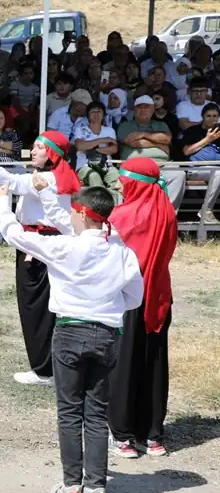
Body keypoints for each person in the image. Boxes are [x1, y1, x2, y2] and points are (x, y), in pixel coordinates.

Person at [0, 182, 143, 493]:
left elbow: (18, 236)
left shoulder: (65, 247)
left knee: (70, 412)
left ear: (83, 215)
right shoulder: (121, 250)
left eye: (73, 212)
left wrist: (1, 204)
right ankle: (98, 490)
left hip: (70, 332)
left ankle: (73, 486)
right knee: (96, 413)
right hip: (106, 333)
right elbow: (135, 297)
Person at [0, 130, 80, 387]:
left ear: (51, 153)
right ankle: (48, 366)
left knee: (35, 308)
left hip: (36, 249)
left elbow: (7, 181)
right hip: (41, 246)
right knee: (44, 308)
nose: (33, 151)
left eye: (39, 147)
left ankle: (43, 369)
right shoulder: (55, 176)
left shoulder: (45, 178)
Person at [107, 158, 178, 458]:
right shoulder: (168, 213)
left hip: (128, 297)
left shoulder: (122, 215)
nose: (121, 187)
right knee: (154, 363)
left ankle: (122, 434)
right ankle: (152, 434)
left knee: (123, 363)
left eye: (124, 181)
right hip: (159, 297)